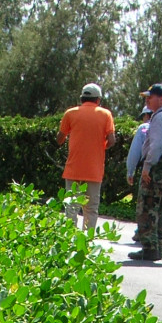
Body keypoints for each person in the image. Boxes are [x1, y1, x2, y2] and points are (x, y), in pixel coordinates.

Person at [56, 82, 116, 233]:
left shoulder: (70, 113)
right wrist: (101, 147)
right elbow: (112, 140)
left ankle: (69, 240)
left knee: (71, 208)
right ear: (98, 100)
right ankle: (86, 243)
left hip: (73, 169)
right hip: (94, 171)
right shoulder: (105, 114)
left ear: (82, 98)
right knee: (91, 209)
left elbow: (59, 139)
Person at [130, 82, 162, 262]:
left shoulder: (158, 118)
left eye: (151, 97)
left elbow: (156, 146)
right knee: (158, 208)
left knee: (147, 208)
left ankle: (149, 248)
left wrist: (147, 167)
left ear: (161, 99)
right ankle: (156, 248)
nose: (147, 100)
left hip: (156, 169)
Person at [127, 104, 152, 242]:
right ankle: (158, 233)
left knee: (143, 205)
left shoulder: (144, 128)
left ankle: (143, 233)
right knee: (158, 204)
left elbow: (134, 153)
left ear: (146, 115)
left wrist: (130, 171)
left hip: (147, 171)